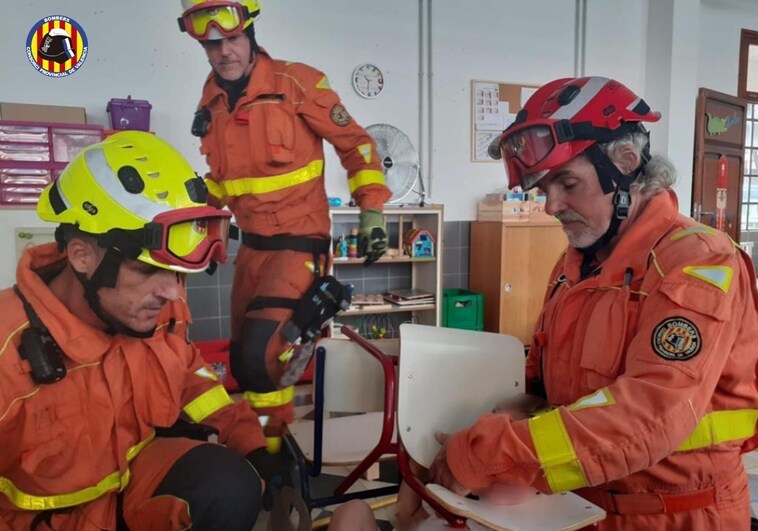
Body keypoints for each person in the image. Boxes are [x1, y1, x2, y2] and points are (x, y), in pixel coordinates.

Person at [423, 77, 758, 530]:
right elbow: (547, 386)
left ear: (624, 163)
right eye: (544, 188)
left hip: (679, 516)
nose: (551, 205)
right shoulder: (575, 264)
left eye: (567, 182)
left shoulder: (699, 262)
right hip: (581, 509)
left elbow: (650, 415)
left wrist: (487, 454)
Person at [0, 131, 288, 531]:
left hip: (129, 490)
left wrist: (251, 444)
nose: (171, 292)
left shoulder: (149, 314)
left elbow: (194, 381)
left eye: (175, 273)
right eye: (148, 269)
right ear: (82, 255)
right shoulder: (6, 352)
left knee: (229, 484)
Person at [177, 0, 392, 455]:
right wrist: (203, 232)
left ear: (250, 33)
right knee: (244, 361)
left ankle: (277, 450)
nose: (224, 53)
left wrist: (371, 210)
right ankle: (267, 447)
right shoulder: (210, 100)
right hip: (251, 251)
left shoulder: (298, 83)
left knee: (262, 353)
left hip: (299, 244)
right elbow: (221, 181)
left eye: (232, 39)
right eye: (212, 44)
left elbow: (358, 146)